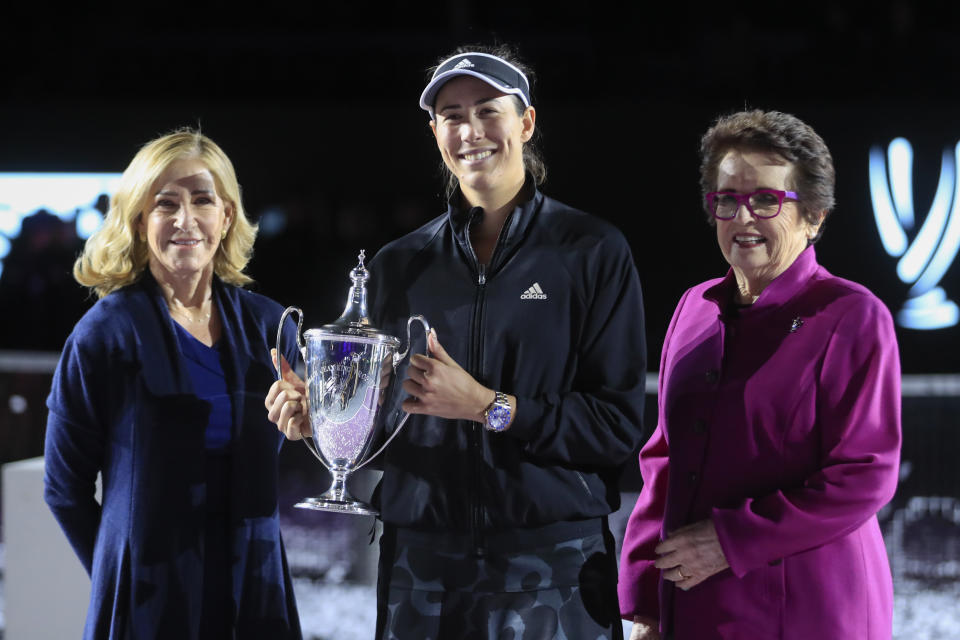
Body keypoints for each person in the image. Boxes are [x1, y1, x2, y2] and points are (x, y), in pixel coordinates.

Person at [267, 45, 647, 638]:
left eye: (488, 109)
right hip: (422, 565)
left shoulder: (592, 251)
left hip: (555, 564)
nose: (471, 130)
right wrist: (325, 423)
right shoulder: (399, 265)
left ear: (526, 122)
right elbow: (389, 425)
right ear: (435, 131)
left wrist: (486, 406)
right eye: (452, 114)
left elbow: (615, 427)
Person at [617, 110, 902, 639]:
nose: (742, 218)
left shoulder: (851, 315)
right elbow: (664, 459)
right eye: (727, 200)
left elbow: (864, 474)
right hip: (696, 604)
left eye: (766, 200)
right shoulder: (693, 307)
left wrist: (729, 541)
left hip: (810, 610)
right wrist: (645, 599)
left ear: (814, 217)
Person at [44, 129, 303, 639]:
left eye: (203, 200)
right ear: (140, 221)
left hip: (254, 588)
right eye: (166, 204)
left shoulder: (272, 327)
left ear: (226, 215)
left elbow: (304, 442)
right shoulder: (103, 335)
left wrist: (313, 422)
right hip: (147, 601)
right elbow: (63, 489)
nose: (186, 220)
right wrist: (119, 574)